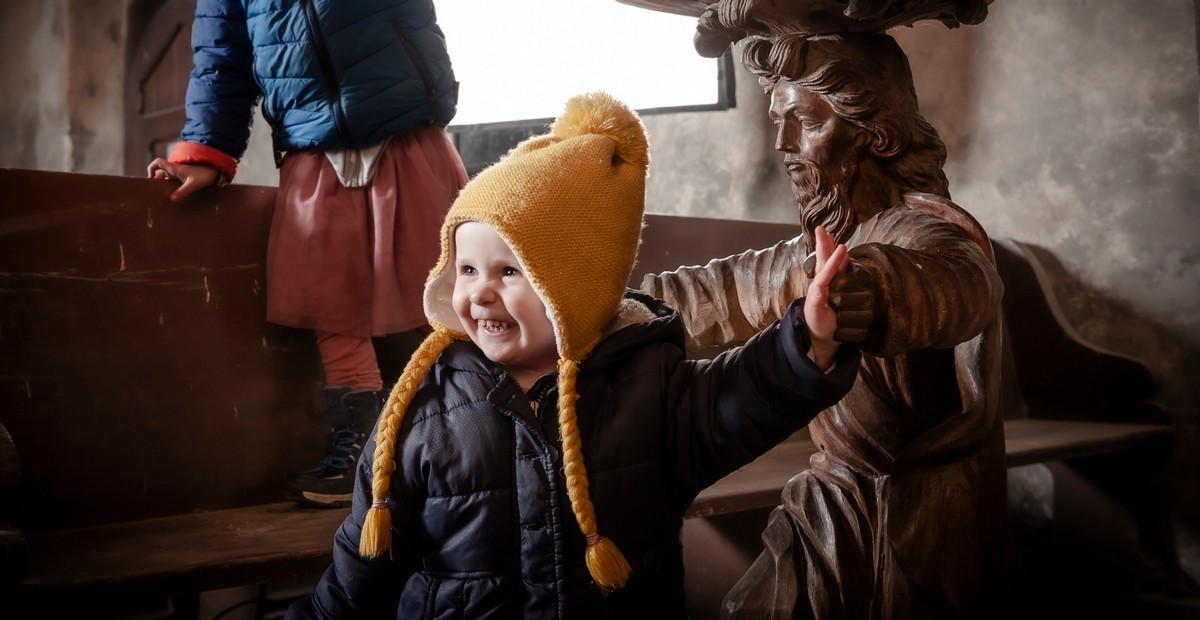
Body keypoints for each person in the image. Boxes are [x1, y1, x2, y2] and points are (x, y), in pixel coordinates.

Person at [285, 92, 860, 618]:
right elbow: (357, 576)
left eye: (509, 271)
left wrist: (809, 339)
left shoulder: (649, 387)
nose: (479, 291)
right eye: (466, 269)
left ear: (574, 289)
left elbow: (740, 398)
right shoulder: (424, 409)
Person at [639, 32, 1007, 619]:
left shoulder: (924, 232)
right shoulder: (813, 252)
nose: (783, 144)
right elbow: (711, 293)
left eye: (803, 119)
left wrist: (877, 289)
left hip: (913, 515)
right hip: (835, 498)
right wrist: (586, 305)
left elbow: (961, 287)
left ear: (873, 133)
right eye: (776, 121)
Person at [146, 0, 468, 508]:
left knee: (442, 292)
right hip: (310, 145)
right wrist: (206, 150)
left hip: (402, 126)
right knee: (328, 296)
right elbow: (220, 59)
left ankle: (474, 436)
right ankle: (362, 444)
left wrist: (435, 95)